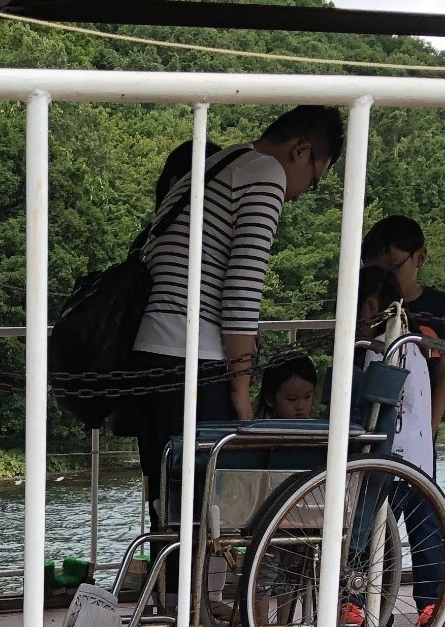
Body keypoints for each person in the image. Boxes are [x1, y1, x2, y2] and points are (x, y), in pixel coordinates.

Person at [130, 106, 344, 516]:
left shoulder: (220, 162)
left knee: (169, 509)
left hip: (151, 350)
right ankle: (190, 582)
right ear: (301, 151)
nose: (298, 195)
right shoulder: (266, 174)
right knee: (206, 513)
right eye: (313, 181)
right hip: (192, 360)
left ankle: (170, 582)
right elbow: (242, 291)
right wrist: (241, 392)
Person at [343, 265, 443, 627]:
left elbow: (370, 407)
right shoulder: (414, 342)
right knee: (425, 537)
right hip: (419, 459)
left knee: (370, 540)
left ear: (369, 307)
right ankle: (431, 606)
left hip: (385, 458)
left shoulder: (376, 351)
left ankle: (370, 620)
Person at [361, 215, 445, 439]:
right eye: (374, 272)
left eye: (392, 269)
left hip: (420, 421)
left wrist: (431, 426)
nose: (384, 279)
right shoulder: (369, 308)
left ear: (420, 258)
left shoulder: (441, 305)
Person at [256, 351, 318, 419]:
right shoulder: (263, 429)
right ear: (270, 400)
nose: (300, 406)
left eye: (307, 397)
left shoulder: (319, 428)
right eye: (292, 399)